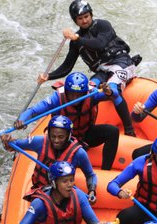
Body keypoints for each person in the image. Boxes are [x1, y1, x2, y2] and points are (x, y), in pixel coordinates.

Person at [38, 0, 140, 137]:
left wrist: (77, 38)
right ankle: (83, 128)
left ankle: (129, 129)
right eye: (80, 18)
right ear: (76, 21)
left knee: (112, 90)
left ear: (91, 15)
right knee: (88, 90)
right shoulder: (76, 42)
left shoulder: (103, 25)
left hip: (121, 63)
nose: (84, 20)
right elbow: (67, 66)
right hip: (102, 71)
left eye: (86, 16)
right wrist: (48, 76)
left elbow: (100, 44)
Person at [14, 72, 119, 170]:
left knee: (113, 131)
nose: (75, 98)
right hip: (63, 140)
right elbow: (33, 111)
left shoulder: (92, 94)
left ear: (85, 92)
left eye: (79, 95)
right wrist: (21, 120)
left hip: (85, 135)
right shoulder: (57, 98)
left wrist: (109, 92)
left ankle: (106, 169)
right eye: (71, 94)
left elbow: (114, 95)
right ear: (66, 91)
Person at [1, 115, 98, 203]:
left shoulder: (79, 153)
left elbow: (90, 175)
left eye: (61, 137)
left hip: (64, 193)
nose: (56, 140)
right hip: (42, 190)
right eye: (53, 136)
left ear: (68, 136)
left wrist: (92, 191)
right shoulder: (40, 142)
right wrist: (7, 140)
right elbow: (14, 145)